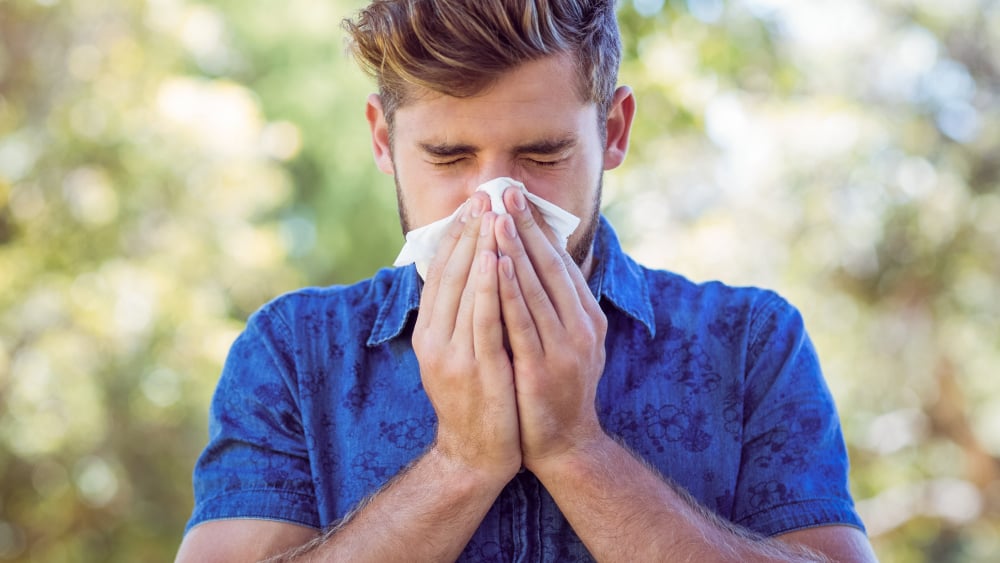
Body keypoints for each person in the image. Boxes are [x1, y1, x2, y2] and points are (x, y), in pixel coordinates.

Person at [175, 1, 878, 561]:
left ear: (614, 129)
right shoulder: (294, 352)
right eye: (448, 156)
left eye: (542, 153)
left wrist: (579, 447)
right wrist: (459, 464)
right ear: (384, 142)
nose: (497, 199)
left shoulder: (749, 343)